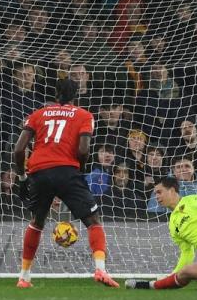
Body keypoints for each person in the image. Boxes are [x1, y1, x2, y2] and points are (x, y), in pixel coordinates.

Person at [13, 78, 119, 288]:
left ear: (55, 93)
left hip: (39, 171)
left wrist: (22, 178)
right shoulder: (84, 115)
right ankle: (101, 270)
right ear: (75, 95)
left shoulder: (37, 114)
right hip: (67, 171)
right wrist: (77, 170)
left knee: (37, 221)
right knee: (93, 220)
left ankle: (24, 277)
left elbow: (18, 150)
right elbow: (83, 149)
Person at [142, 177, 197, 277]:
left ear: (171, 191)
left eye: (159, 192)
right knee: (193, 271)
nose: (157, 197)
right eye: (155, 194)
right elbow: (187, 253)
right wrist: (174, 275)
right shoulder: (172, 224)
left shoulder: (194, 200)